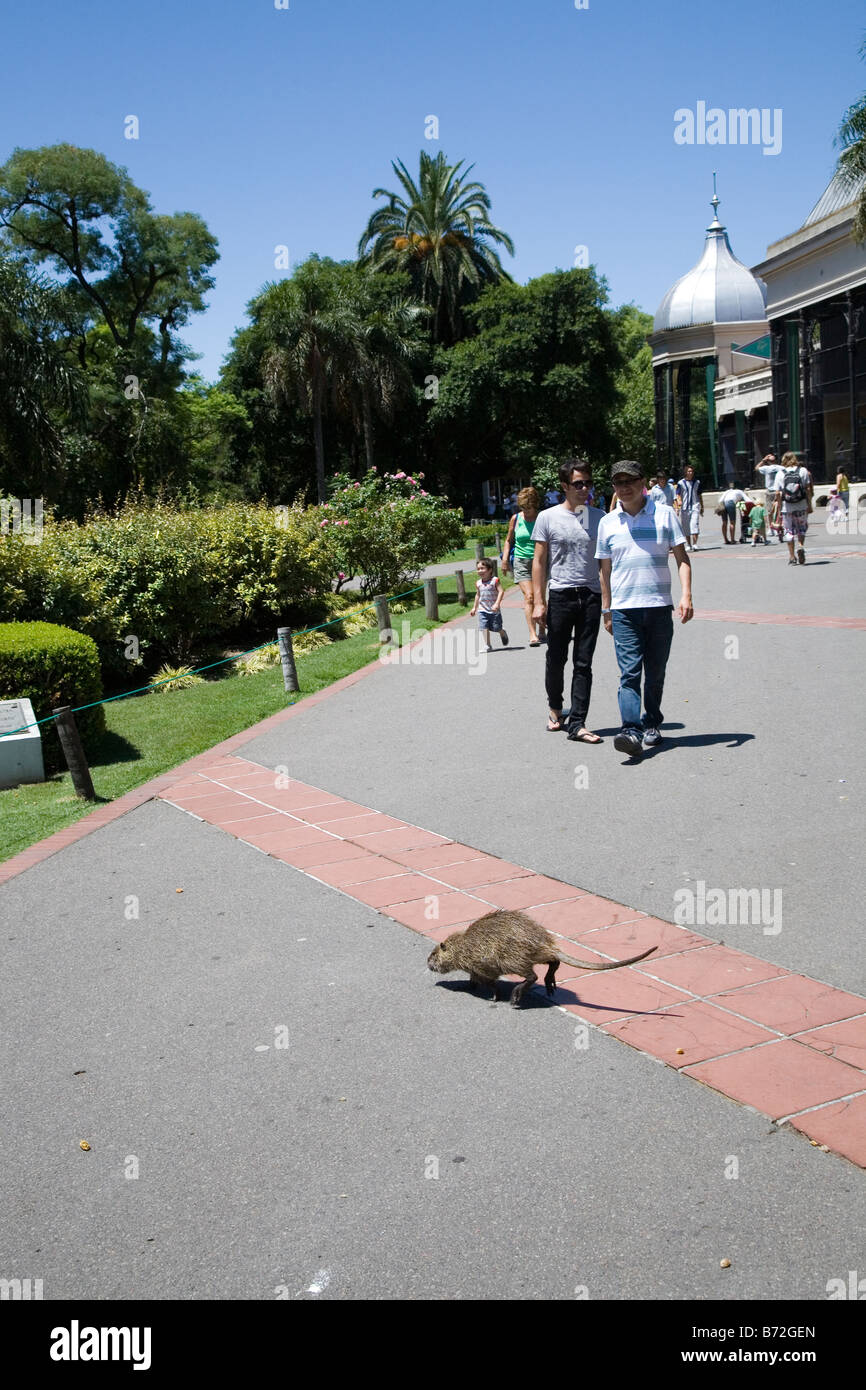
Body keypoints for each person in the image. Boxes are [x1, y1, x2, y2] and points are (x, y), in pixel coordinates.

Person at [596, 460, 693, 759]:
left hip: (658, 607)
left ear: (642, 484)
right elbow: (604, 569)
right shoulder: (607, 522)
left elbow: (682, 558)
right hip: (625, 611)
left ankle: (652, 722)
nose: (623, 488)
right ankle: (631, 730)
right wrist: (607, 609)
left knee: (655, 672)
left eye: (629, 481)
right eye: (618, 483)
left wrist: (686, 595)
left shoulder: (664, 515)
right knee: (629, 673)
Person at [531, 458, 604, 743]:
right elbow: (538, 561)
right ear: (564, 486)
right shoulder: (548, 517)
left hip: (590, 596)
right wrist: (539, 601)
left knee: (583, 662)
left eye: (588, 482)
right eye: (578, 484)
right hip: (560, 595)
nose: (584, 488)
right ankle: (555, 708)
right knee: (556, 658)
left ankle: (578, 723)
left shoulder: (598, 517)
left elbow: (605, 562)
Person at [502, 486, 545, 646]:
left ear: (535, 505)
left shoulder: (542, 518)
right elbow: (508, 540)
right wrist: (505, 559)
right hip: (521, 561)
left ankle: (542, 630)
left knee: (540, 597)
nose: (526, 511)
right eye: (523, 508)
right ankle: (532, 634)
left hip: (539, 561)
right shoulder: (516, 519)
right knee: (529, 596)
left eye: (529, 508)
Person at [774, 451, 813, 566]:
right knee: (801, 528)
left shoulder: (780, 474)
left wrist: (780, 507)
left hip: (787, 507)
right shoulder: (803, 471)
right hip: (801, 505)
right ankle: (800, 546)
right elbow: (808, 489)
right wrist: (809, 505)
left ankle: (791, 556)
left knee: (789, 531)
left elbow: (777, 493)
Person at [470, 558, 509, 649]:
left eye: (482, 568)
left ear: (490, 569)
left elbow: (501, 591)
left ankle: (502, 632)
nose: (480, 571)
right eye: (478, 569)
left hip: (494, 610)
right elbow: (478, 595)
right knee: (484, 627)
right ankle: (488, 645)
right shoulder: (478, 583)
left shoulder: (494, 580)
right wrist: (474, 608)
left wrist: (497, 604)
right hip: (482, 609)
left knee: (496, 627)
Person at [675, 464, 703, 551]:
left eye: (691, 471)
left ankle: (695, 544)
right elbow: (678, 494)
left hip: (695, 505)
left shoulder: (697, 482)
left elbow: (699, 495)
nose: (690, 473)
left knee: (694, 524)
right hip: (684, 507)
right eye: (688, 471)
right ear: (685, 472)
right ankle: (689, 544)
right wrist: (679, 502)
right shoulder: (681, 483)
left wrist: (702, 506)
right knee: (686, 527)